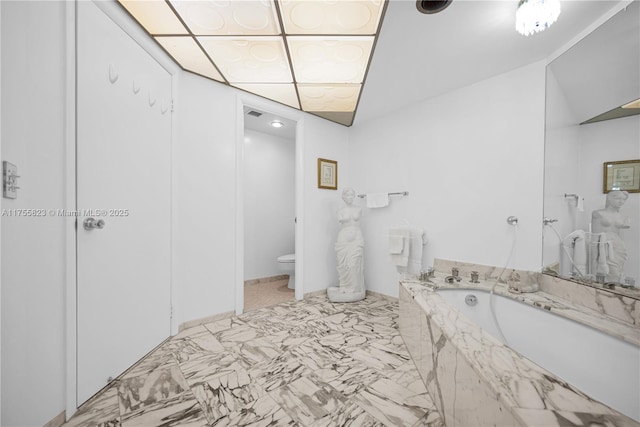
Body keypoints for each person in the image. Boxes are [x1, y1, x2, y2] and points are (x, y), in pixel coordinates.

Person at [328, 187, 366, 302]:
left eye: (352, 195)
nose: (350, 198)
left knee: (354, 263)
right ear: (343, 197)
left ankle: (354, 288)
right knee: (343, 264)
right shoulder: (340, 211)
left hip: (357, 237)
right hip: (343, 239)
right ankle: (344, 286)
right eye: (347, 195)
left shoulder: (359, 209)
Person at [591, 190, 631, 283]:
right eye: (618, 198)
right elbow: (594, 235)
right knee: (603, 272)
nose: (621, 201)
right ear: (609, 198)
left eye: (623, 199)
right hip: (603, 244)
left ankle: (612, 292)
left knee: (617, 273)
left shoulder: (623, 217)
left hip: (618, 246)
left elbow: (620, 233)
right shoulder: (598, 214)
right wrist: (594, 257)